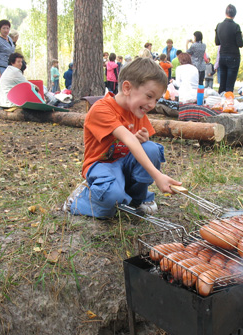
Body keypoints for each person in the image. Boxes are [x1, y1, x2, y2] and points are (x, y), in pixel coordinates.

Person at [63, 57, 181, 218]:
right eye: (149, 96)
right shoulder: (102, 109)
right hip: (101, 165)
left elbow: (140, 147)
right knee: (111, 204)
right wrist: (157, 175)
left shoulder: (137, 111)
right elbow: (128, 139)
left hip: (123, 164)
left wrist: (144, 139)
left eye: (156, 99)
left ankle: (136, 199)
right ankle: (81, 199)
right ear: (127, 88)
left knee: (151, 149)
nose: (152, 104)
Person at [215, 4, 243, 94]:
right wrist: (241, 36)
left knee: (222, 85)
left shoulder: (219, 26)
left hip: (222, 56)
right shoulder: (236, 27)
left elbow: (217, 42)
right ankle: (228, 105)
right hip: (233, 57)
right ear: (235, 14)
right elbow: (240, 44)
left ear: (225, 13)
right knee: (229, 86)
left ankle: (219, 103)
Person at [0, 19, 15, 85]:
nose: (6, 30)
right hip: (1, 67)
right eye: (4, 28)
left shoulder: (9, 39)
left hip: (10, 67)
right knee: (3, 86)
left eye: (7, 28)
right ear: (0, 29)